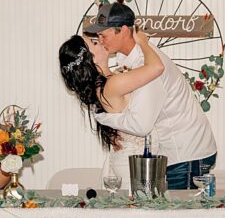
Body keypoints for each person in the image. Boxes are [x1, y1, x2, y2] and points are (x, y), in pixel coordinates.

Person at [86, 1, 217, 189]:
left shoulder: (145, 64)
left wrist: (104, 118)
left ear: (123, 30)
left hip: (185, 152)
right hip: (177, 150)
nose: (101, 40)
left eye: (103, 35)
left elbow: (141, 125)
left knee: (180, 216)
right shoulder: (134, 58)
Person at [58, 28, 163, 189]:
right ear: (91, 59)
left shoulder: (107, 83)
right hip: (133, 164)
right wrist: (142, 42)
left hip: (132, 160)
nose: (100, 41)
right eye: (94, 43)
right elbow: (156, 67)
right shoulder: (112, 85)